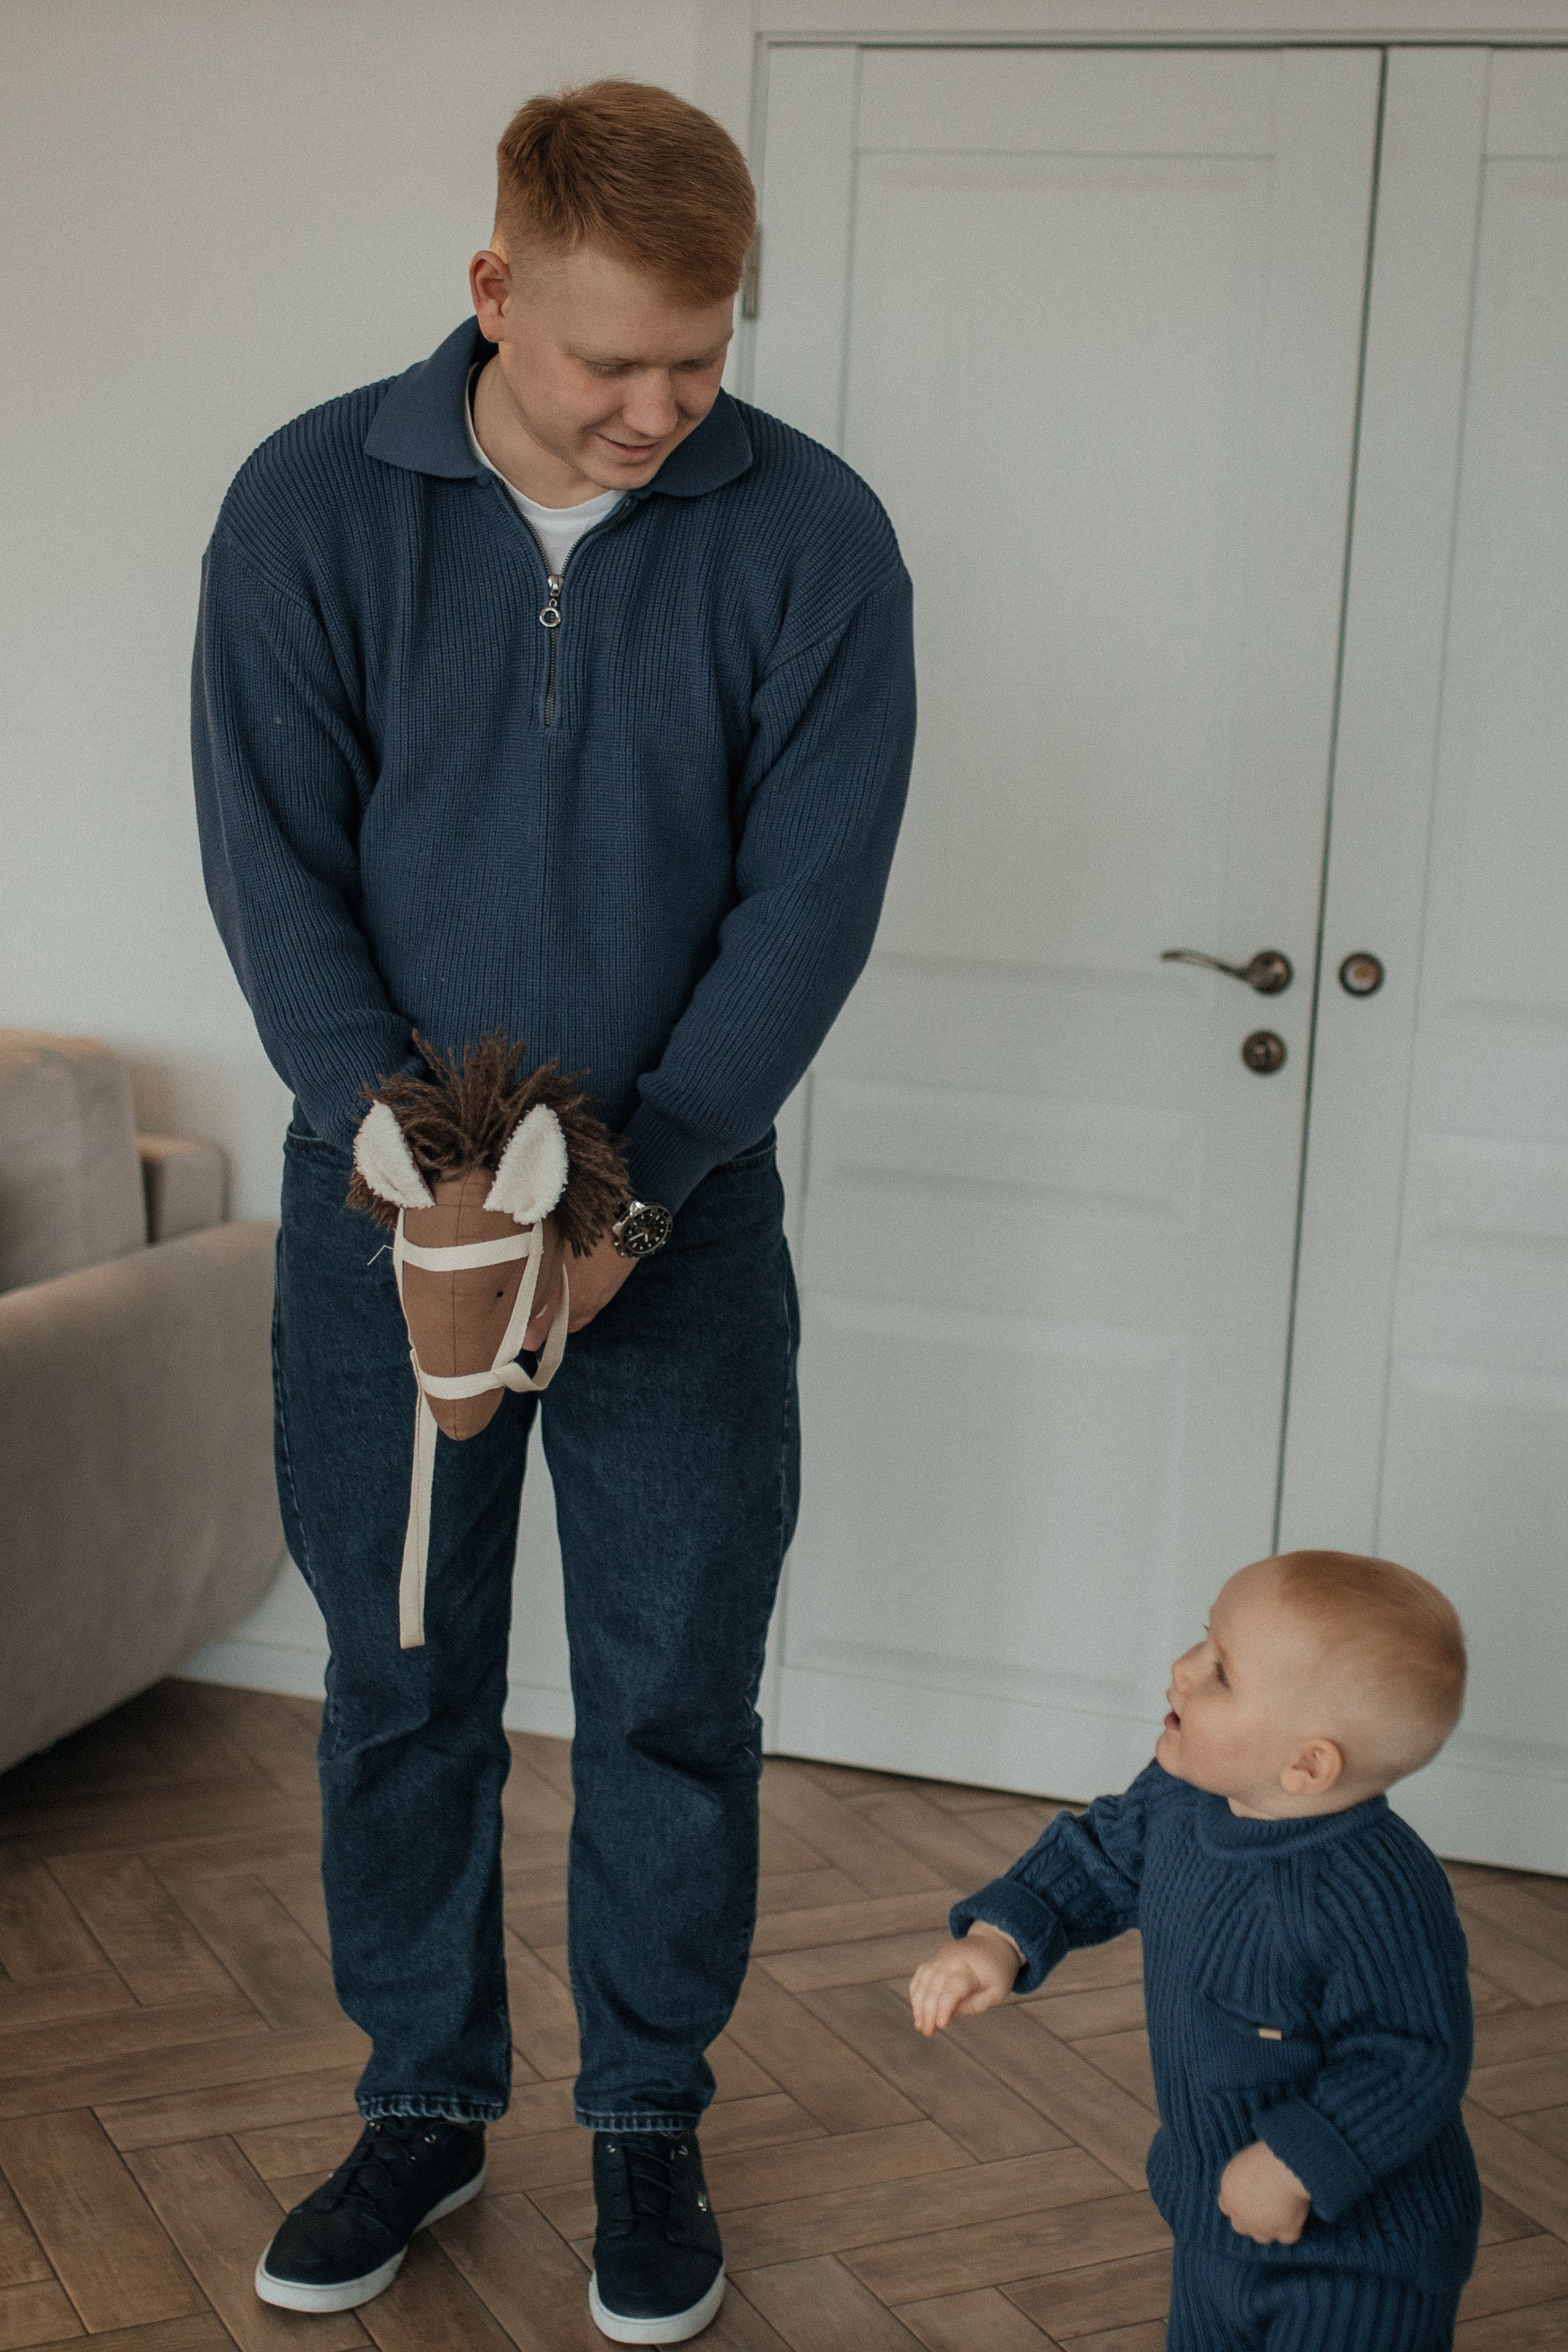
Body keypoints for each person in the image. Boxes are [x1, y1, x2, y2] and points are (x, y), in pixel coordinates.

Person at [193, 78, 915, 2344]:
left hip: (679, 1218)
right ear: (494, 285)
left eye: (704, 359)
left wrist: (643, 1189)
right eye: (613, 360)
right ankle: (420, 2099)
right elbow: (271, 854)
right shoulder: (310, 505)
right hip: (386, 1212)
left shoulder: (813, 532)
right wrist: (403, 1162)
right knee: (399, 1684)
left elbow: (812, 898)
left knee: (672, 1689)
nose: (661, 410)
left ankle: (646, 2122)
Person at [910, 1552, 1482, 2352]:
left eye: (1221, 1674)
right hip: (1213, 2214)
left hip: (1357, 2259)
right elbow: (1094, 1856)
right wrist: (998, 1938)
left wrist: (1298, 2162)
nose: (1181, 1669)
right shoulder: (1181, 1800)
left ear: (1306, 1765)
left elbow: (1411, 2055)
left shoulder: (1376, 1893)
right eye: (1200, 1642)